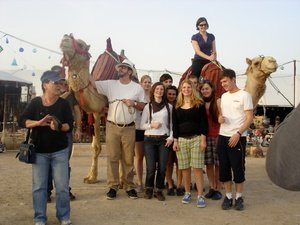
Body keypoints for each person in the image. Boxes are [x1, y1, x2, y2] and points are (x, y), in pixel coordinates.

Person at [18, 70, 74, 225]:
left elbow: (70, 125)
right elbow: (22, 121)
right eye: (55, 83)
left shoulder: (63, 104)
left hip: (60, 151)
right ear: (45, 85)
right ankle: (40, 218)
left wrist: (59, 126)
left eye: (60, 83)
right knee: (39, 187)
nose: (59, 85)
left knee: (62, 187)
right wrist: (38, 123)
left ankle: (63, 217)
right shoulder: (36, 102)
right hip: (39, 152)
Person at [90, 59, 146, 200]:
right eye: (120, 67)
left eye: (123, 68)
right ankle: (113, 186)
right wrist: (85, 65)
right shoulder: (110, 84)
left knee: (128, 159)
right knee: (113, 158)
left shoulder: (137, 88)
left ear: (129, 71)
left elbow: (144, 106)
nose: (120, 69)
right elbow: (91, 82)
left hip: (129, 128)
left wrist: (133, 103)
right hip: (112, 126)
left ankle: (129, 186)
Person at [217, 69, 253, 211]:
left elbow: (249, 118)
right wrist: (221, 118)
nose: (223, 84)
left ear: (233, 79)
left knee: (238, 169)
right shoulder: (224, 96)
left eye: (225, 81)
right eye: (221, 82)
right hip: (223, 136)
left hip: (238, 137)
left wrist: (238, 133)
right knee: (224, 169)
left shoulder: (245, 95)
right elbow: (222, 115)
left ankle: (238, 197)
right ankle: (228, 197)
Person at [47, 66, 82, 203]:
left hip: (66, 133)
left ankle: (64, 190)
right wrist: (63, 94)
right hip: (48, 133)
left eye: (62, 75)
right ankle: (46, 191)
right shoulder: (48, 89)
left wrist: (78, 128)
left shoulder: (70, 93)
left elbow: (77, 111)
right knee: (48, 162)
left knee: (64, 163)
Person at [172, 79, 208, 208]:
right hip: (182, 140)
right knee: (185, 169)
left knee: (197, 168)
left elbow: (204, 123)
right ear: (181, 90)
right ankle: (187, 192)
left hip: (196, 139)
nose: (186, 89)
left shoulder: (199, 104)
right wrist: (175, 141)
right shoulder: (176, 106)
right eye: (184, 87)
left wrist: (203, 140)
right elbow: (175, 126)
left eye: (188, 87)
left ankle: (200, 195)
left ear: (192, 88)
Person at [140, 82, 173, 201]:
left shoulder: (169, 107)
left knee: (163, 167)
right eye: (157, 89)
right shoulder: (147, 106)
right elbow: (141, 125)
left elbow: (172, 124)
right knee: (151, 167)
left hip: (163, 140)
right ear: (153, 91)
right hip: (149, 139)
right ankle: (149, 188)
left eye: (161, 89)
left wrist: (171, 137)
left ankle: (159, 189)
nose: (159, 91)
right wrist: (151, 125)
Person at [199, 80, 222, 200]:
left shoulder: (218, 101)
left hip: (217, 135)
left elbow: (222, 118)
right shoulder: (200, 102)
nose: (205, 91)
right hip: (205, 136)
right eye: (203, 89)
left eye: (207, 88)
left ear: (212, 89)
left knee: (218, 164)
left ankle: (218, 188)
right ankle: (212, 187)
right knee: (208, 164)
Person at [165, 86, 184, 196]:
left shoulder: (179, 106)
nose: (171, 96)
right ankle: (170, 184)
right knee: (168, 163)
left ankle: (179, 185)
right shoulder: (163, 106)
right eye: (169, 94)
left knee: (179, 163)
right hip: (167, 138)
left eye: (173, 94)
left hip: (178, 137)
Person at [134, 75, 152, 193]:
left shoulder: (153, 96)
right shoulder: (136, 95)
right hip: (138, 128)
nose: (147, 84)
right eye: (145, 82)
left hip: (150, 130)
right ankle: (140, 182)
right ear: (141, 83)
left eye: (149, 82)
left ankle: (150, 182)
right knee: (139, 157)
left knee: (150, 159)